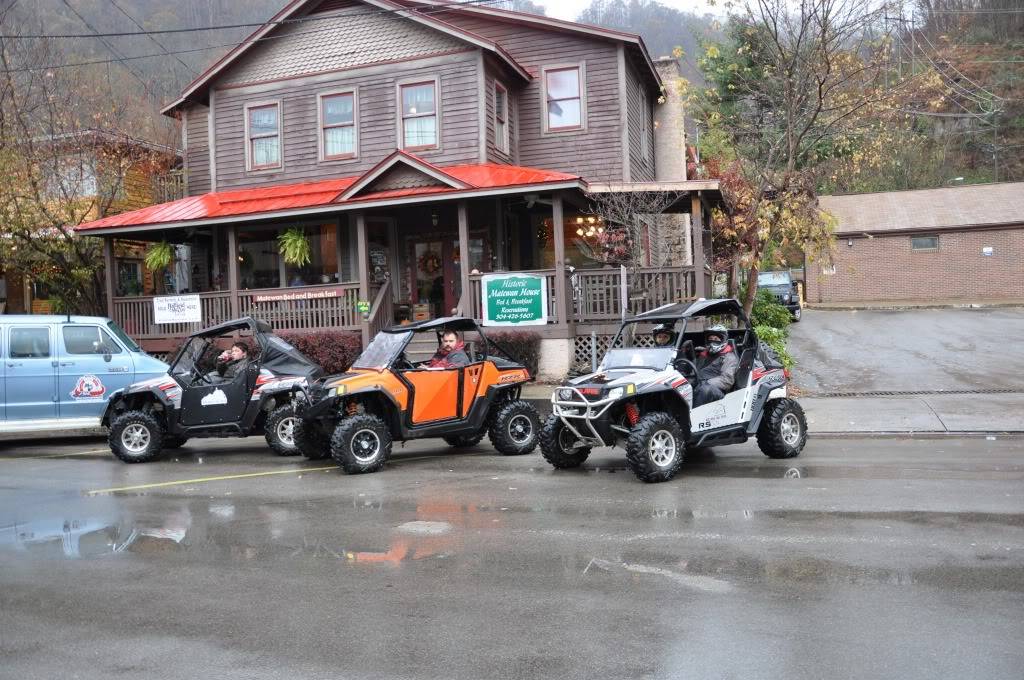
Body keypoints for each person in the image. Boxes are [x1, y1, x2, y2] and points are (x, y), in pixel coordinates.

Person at [693, 325, 738, 406]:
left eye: (716, 339)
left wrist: (706, 383)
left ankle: (693, 417)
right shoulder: (703, 354)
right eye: (710, 339)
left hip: (717, 391)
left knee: (705, 389)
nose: (712, 341)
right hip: (699, 385)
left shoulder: (729, 357)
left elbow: (727, 380)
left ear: (723, 340)